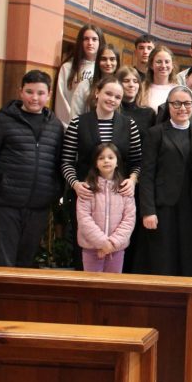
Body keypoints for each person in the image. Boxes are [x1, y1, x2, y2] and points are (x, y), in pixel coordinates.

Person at [0, 70, 64, 268]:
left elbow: (58, 166)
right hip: (4, 207)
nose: (34, 98)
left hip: (38, 209)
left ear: (49, 95)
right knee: (1, 263)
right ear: (20, 91)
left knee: (25, 265)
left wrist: (53, 194)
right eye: (29, 92)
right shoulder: (1, 122)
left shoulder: (55, 126)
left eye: (40, 93)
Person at [62, 76, 143, 270]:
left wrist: (132, 180)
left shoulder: (129, 124)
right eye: (108, 93)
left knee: (117, 256)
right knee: (85, 257)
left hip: (118, 197)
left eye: (117, 97)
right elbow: (66, 161)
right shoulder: (78, 123)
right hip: (87, 196)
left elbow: (137, 162)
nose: (112, 99)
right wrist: (75, 184)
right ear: (97, 93)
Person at [135, 86, 192, 277]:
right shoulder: (155, 134)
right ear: (168, 106)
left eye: (187, 103)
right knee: (164, 259)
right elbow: (147, 175)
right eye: (176, 103)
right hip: (163, 208)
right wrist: (148, 211)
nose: (182, 108)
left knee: (190, 259)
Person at [76, 143, 136, 274]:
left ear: (117, 162)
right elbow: (84, 219)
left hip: (116, 249)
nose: (106, 161)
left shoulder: (124, 189)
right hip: (91, 249)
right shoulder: (87, 189)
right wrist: (103, 243)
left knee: (113, 285)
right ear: (95, 163)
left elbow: (129, 220)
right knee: (92, 284)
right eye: (101, 158)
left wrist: (112, 244)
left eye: (110, 157)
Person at [55, 24, 104, 127]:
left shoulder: (103, 69)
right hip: (71, 125)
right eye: (86, 39)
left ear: (100, 42)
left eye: (94, 39)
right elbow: (61, 99)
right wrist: (72, 125)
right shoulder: (67, 68)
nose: (90, 43)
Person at [116, 66, 155, 139]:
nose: (131, 85)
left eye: (135, 81)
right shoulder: (112, 112)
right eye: (126, 81)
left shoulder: (149, 113)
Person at [84, 44, 120, 111]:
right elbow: (75, 113)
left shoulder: (121, 86)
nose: (108, 63)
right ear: (98, 62)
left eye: (112, 59)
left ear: (117, 62)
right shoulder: (85, 85)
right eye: (104, 59)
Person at [141, 45, 177, 110]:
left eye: (167, 62)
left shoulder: (178, 90)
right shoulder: (142, 89)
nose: (163, 66)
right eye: (159, 62)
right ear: (151, 65)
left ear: (172, 65)